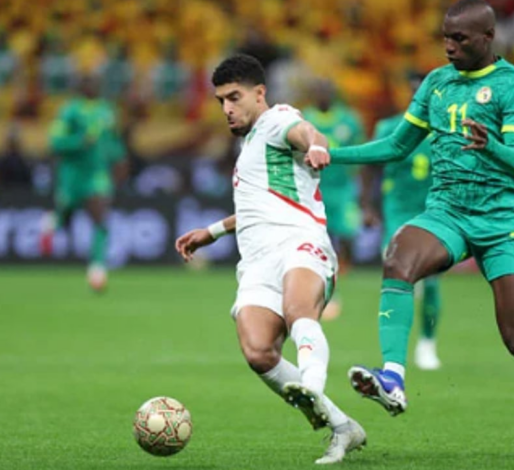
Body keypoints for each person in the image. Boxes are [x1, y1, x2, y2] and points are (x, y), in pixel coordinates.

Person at [306, 0, 514, 448]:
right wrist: (332, 155)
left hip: (503, 220)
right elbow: (397, 145)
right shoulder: (437, 83)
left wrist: (491, 145)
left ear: (488, 37)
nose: (449, 47)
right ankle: (393, 377)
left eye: (459, 39)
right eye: (445, 37)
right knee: (398, 258)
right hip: (448, 212)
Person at [174, 54, 366, 464]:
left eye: (234, 97)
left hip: (300, 242)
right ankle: (343, 427)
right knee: (258, 351)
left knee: (299, 311)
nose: (227, 108)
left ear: (259, 93)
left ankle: (311, 385)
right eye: (221, 101)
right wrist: (211, 232)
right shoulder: (249, 147)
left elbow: (308, 132)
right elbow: (256, 208)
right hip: (257, 261)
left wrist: (317, 145)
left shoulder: (278, 119)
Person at [364, 72, 442, 370]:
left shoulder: (446, 132)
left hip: (432, 216)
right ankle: (394, 352)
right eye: (413, 92)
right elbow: (370, 165)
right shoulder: (389, 127)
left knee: (430, 284)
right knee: (398, 275)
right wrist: (367, 206)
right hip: (397, 215)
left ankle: (427, 344)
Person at [40, 75, 126, 291]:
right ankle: (51, 223)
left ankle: (97, 269)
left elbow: (111, 140)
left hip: (97, 175)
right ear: (81, 88)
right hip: (72, 176)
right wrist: (80, 141)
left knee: (100, 220)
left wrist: (119, 158)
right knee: (64, 216)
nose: (93, 87)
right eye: (88, 84)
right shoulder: (69, 111)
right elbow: (55, 142)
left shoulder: (107, 111)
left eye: (95, 83)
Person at [303, 79, 365, 320]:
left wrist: (362, 192)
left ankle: (339, 274)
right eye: (319, 91)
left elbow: (361, 153)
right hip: (314, 188)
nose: (323, 96)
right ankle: (326, 282)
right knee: (319, 239)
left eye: (326, 91)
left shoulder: (349, 120)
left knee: (348, 236)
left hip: (344, 189)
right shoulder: (305, 118)